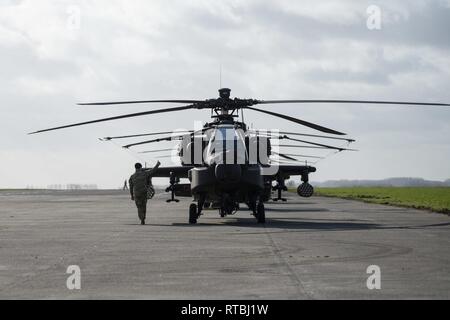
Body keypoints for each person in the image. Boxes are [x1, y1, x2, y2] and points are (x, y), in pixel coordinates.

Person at [129, 161, 161, 225]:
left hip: (137, 194)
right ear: (141, 167)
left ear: (135, 168)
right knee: (144, 206)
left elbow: (131, 187)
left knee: (139, 207)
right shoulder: (144, 174)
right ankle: (143, 219)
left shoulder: (132, 176)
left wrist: (132, 195)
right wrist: (157, 164)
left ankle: (141, 218)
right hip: (143, 192)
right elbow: (152, 170)